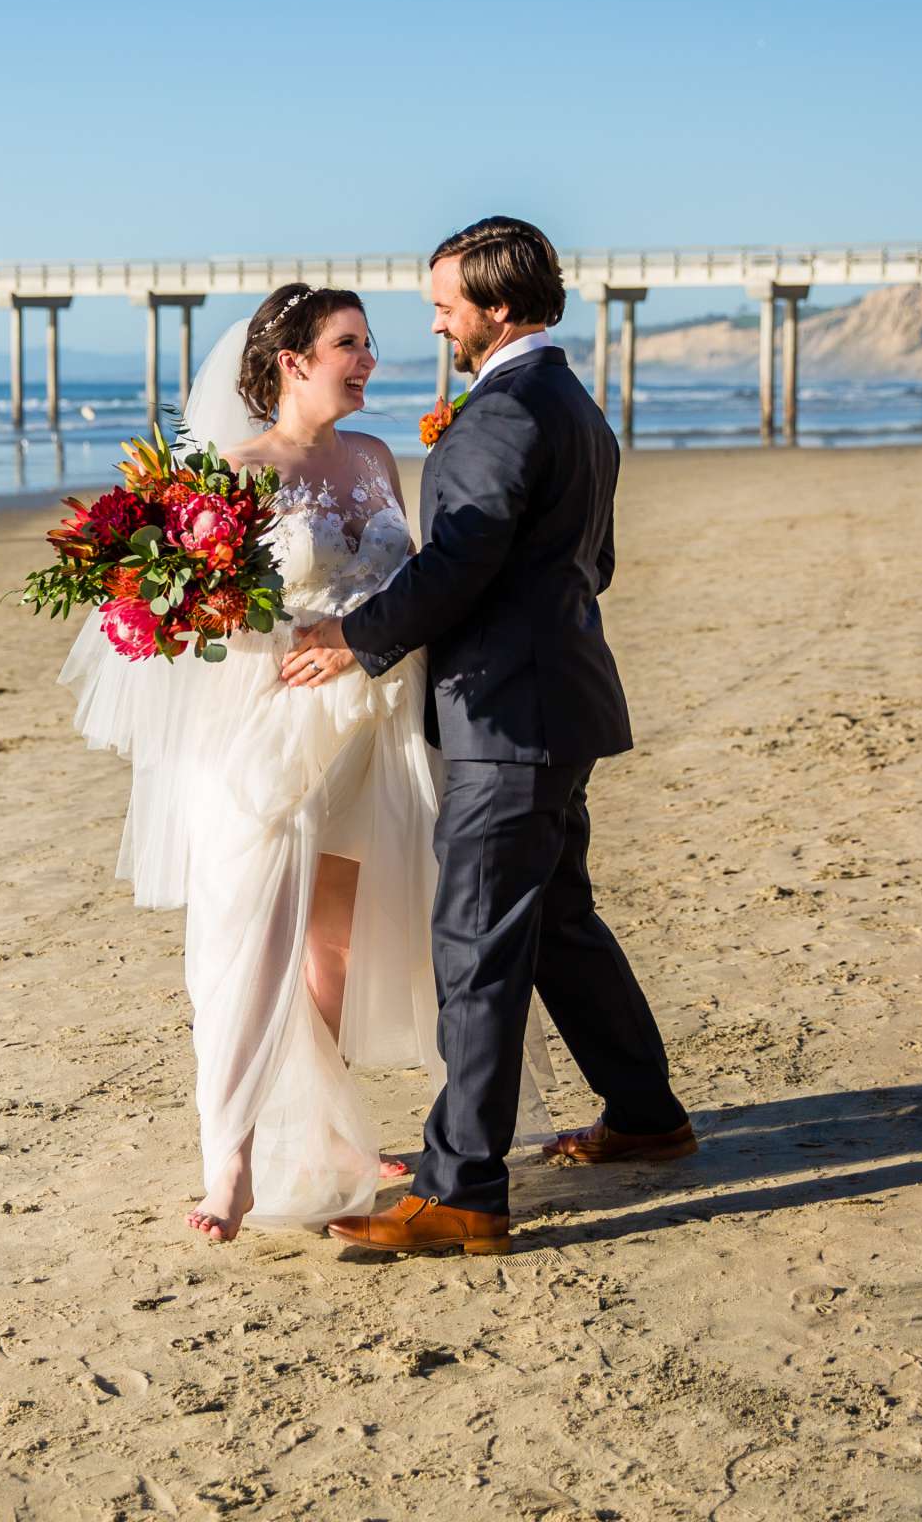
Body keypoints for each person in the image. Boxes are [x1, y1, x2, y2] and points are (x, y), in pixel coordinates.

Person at [58, 284, 554, 1243]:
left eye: (369, 344)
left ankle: (329, 1138)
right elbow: (190, 618)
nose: (368, 361)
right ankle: (231, 1162)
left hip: (375, 724)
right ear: (291, 363)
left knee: (335, 942)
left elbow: (406, 580)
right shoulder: (233, 474)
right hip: (271, 733)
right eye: (348, 345)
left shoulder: (374, 458)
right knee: (249, 942)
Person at [284, 217, 693, 1257]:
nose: (434, 322)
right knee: (558, 920)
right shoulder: (572, 402)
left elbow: (457, 563)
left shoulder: (504, 413)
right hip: (559, 702)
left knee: (477, 945)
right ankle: (645, 1113)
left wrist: (355, 636)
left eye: (444, 305)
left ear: (497, 307)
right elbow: (589, 563)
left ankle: (463, 1189)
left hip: (507, 717)